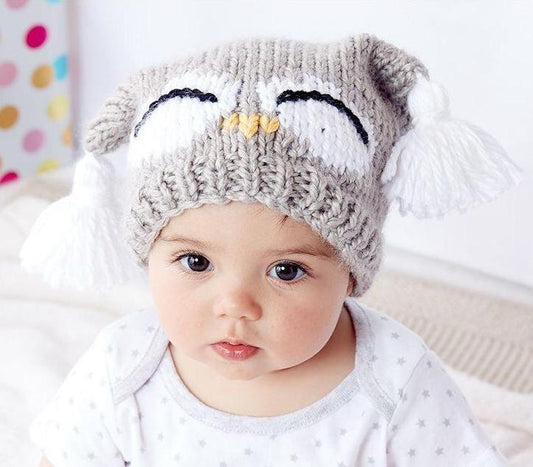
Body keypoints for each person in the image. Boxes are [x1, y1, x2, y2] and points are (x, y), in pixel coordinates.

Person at [22, 33, 521, 466]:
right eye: (196, 262)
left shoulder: (395, 377)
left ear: (350, 272)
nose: (235, 305)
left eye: (286, 270)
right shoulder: (123, 367)